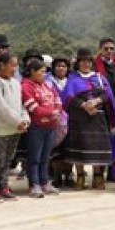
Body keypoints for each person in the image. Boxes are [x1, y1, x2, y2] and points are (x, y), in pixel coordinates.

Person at [62, 48, 115, 190]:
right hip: (79, 118)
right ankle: (80, 176)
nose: (86, 64)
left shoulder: (99, 77)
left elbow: (108, 95)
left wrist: (96, 102)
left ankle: (98, 176)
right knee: (79, 147)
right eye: (83, 62)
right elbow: (68, 97)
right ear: (78, 63)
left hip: (98, 118)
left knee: (98, 147)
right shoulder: (73, 78)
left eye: (88, 62)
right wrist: (84, 105)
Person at [0, 53, 30, 202]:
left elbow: (21, 105)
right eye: (12, 65)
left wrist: (25, 119)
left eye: (16, 65)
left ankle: (4, 186)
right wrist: (18, 121)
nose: (14, 68)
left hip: (15, 129)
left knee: (8, 160)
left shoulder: (16, 83)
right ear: (2, 65)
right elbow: (0, 107)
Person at [21, 60, 63, 198]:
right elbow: (33, 107)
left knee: (46, 157)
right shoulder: (26, 86)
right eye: (41, 72)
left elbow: (57, 99)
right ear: (32, 71)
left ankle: (45, 182)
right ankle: (34, 184)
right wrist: (50, 113)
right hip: (36, 127)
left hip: (50, 127)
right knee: (35, 157)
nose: (44, 75)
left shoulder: (47, 85)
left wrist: (56, 111)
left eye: (45, 72)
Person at [47, 57, 73, 188]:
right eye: (58, 66)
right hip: (55, 119)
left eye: (63, 66)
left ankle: (68, 175)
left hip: (72, 119)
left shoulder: (72, 81)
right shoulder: (48, 82)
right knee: (56, 148)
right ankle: (56, 176)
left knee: (69, 148)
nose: (61, 68)